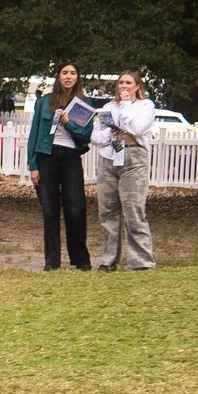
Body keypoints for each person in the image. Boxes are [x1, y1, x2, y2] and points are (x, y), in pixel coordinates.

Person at [24, 63, 92, 272]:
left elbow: (86, 135)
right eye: (64, 73)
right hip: (47, 156)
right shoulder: (45, 102)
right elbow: (34, 134)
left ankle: (80, 259)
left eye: (72, 73)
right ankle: (52, 260)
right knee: (50, 209)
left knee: (76, 208)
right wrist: (33, 165)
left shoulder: (83, 104)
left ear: (77, 77)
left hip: (70, 156)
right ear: (59, 77)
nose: (68, 76)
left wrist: (68, 122)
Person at [92, 71, 157, 270]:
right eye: (121, 82)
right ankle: (109, 260)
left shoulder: (145, 106)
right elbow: (95, 137)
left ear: (137, 86)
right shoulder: (108, 107)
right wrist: (111, 133)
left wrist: (127, 104)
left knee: (133, 210)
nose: (124, 86)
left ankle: (141, 262)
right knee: (108, 211)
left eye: (128, 82)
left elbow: (137, 128)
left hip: (134, 158)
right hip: (109, 157)